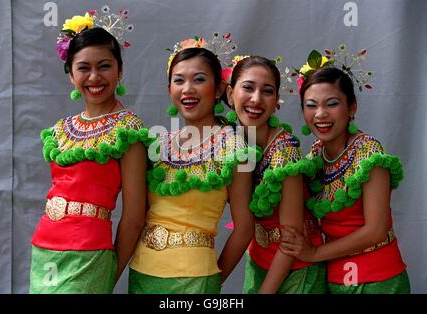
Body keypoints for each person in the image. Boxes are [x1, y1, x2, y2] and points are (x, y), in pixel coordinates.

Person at [30, 8, 149, 293]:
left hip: (89, 252)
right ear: (71, 74)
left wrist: (109, 273)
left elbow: (134, 217)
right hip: (44, 248)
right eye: (83, 67)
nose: (94, 76)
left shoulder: (129, 129)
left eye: (104, 66)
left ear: (120, 70)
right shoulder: (62, 128)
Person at [128, 37, 255, 294]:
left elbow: (245, 228)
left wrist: (211, 282)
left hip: (195, 279)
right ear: (169, 90)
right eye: (179, 80)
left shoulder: (236, 149)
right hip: (141, 272)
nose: (187, 89)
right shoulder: (157, 145)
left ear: (219, 89)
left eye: (199, 79)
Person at [279, 52, 410, 293]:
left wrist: (314, 253)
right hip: (333, 277)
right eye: (311, 105)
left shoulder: (369, 153)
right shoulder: (316, 154)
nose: (320, 114)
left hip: (378, 281)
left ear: (352, 107)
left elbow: (376, 229)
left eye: (332, 104)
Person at [226, 56, 326, 293]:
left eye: (267, 91)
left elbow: (291, 241)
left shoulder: (285, 152)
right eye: (248, 88)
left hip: (295, 270)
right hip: (259, 261)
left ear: (276, 102)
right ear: (230, 94)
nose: (256, 99)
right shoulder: (235, 142)